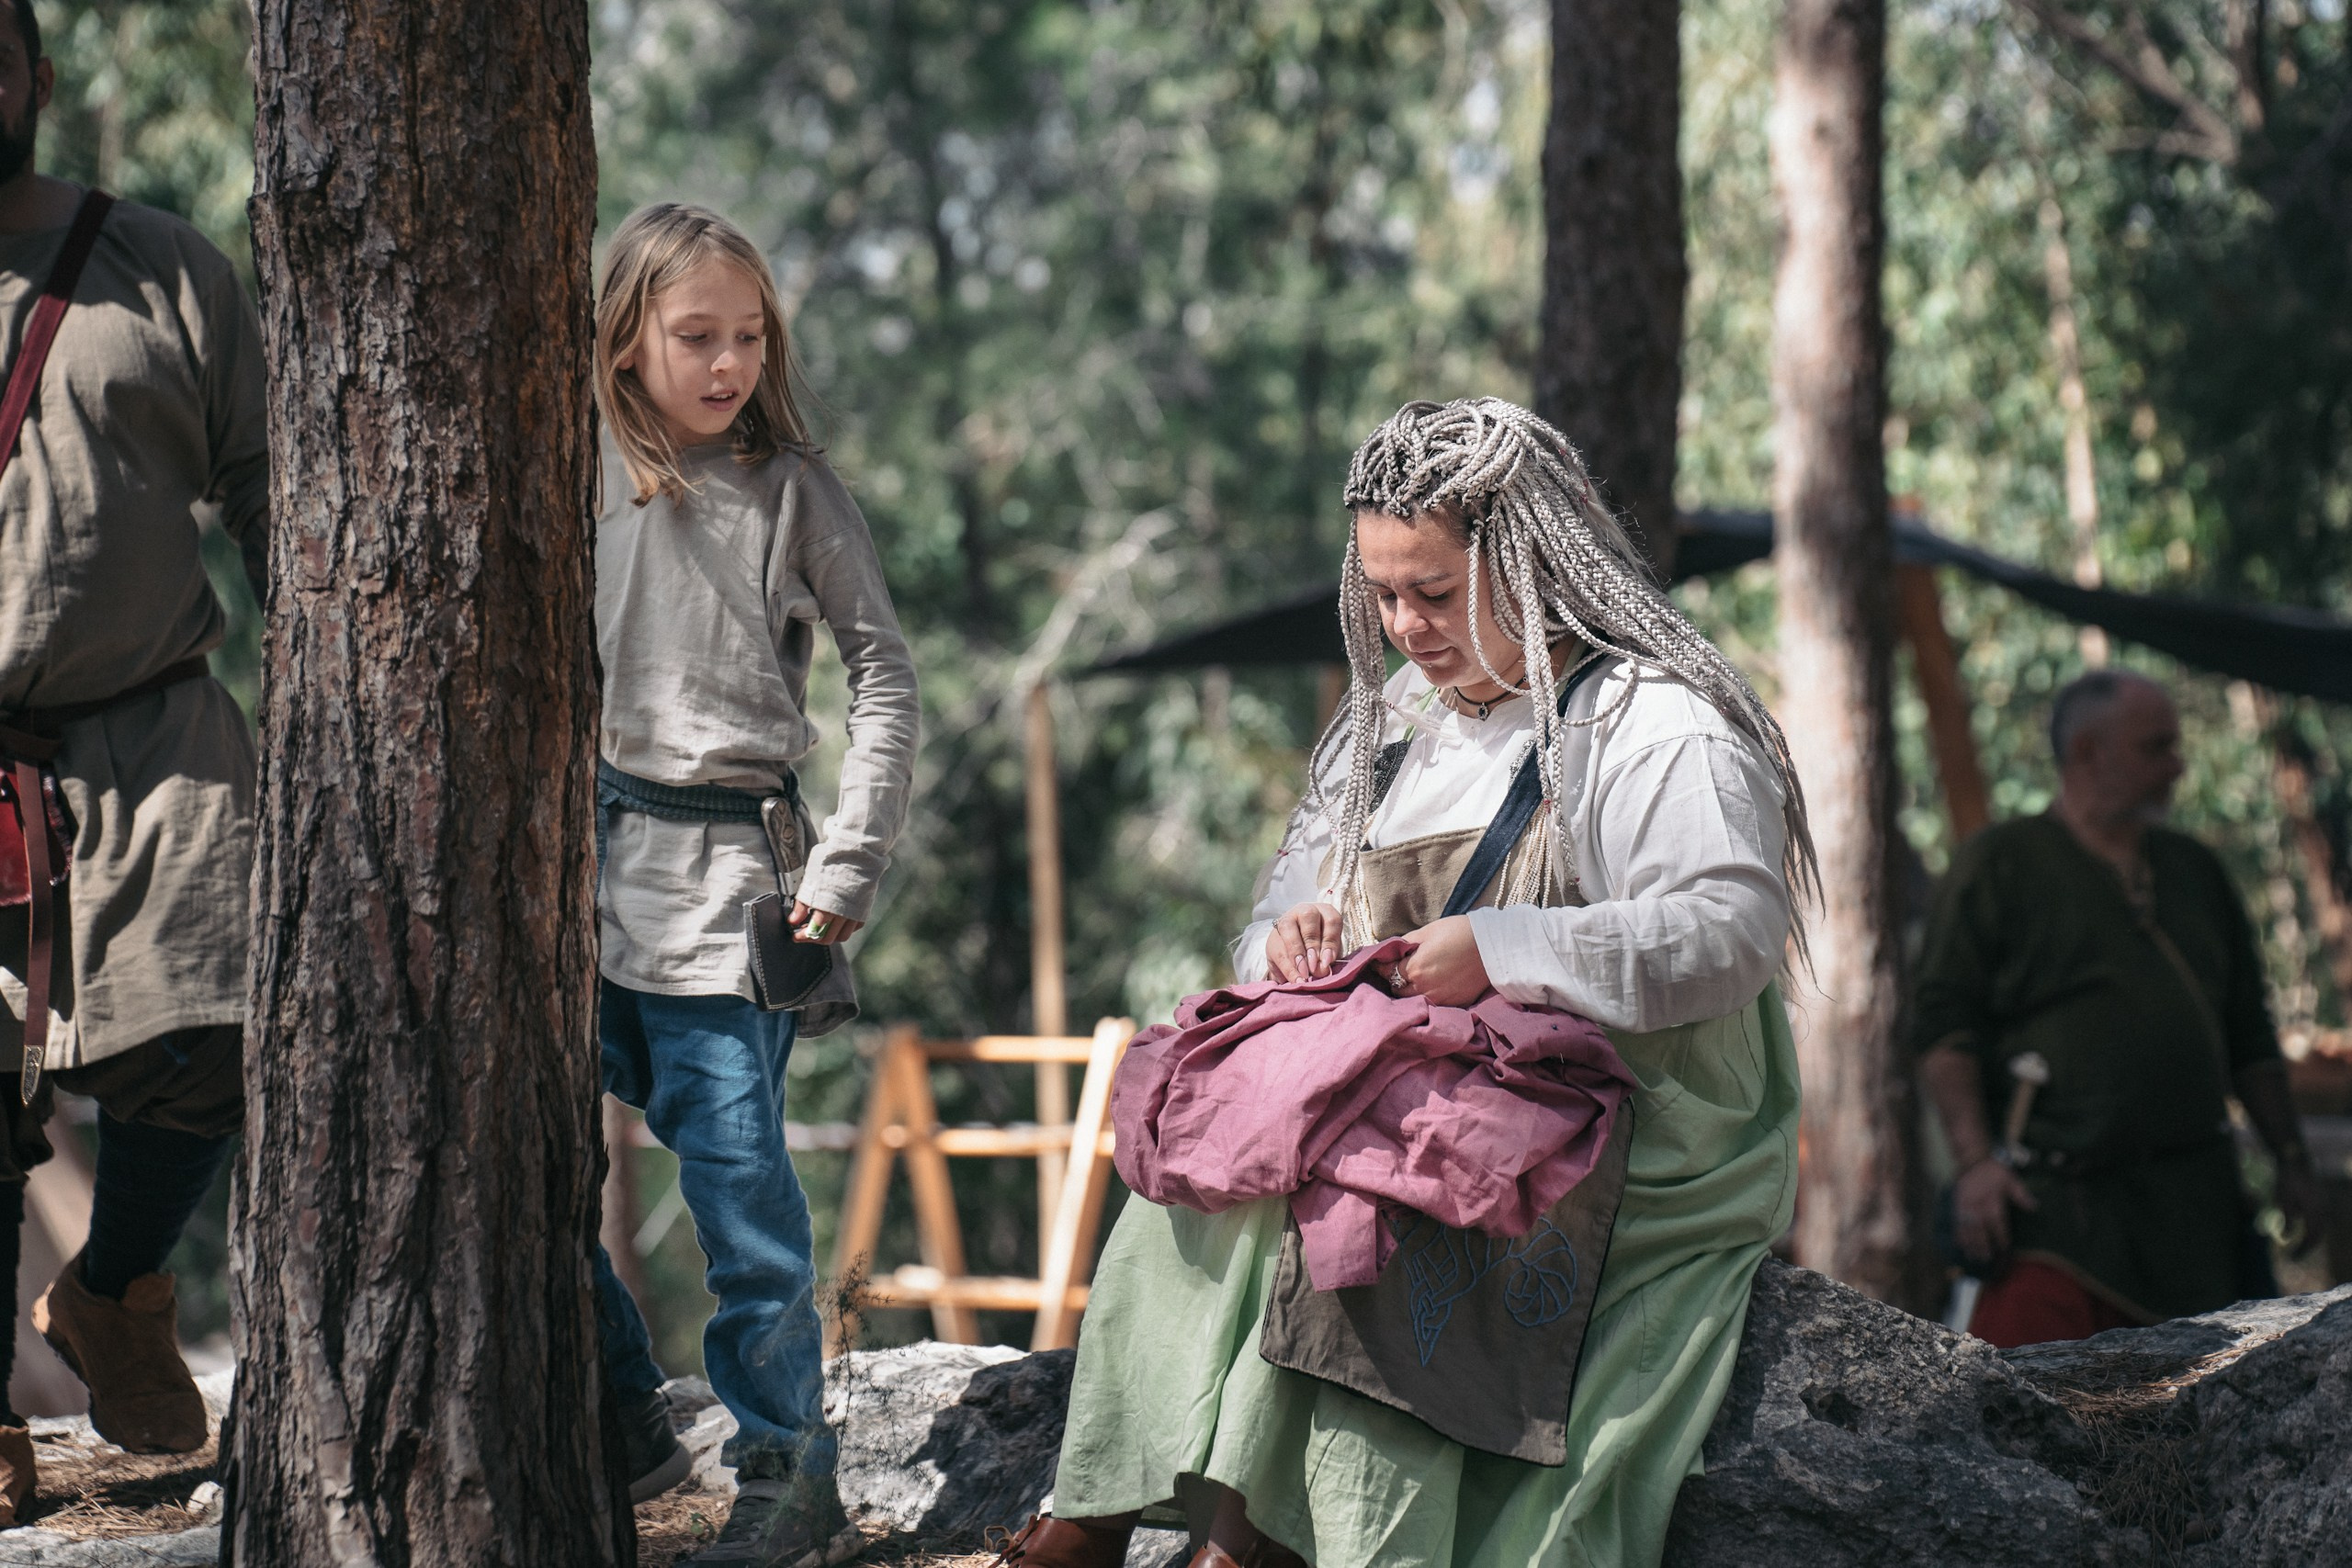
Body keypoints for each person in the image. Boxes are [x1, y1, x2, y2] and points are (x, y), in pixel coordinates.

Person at [997, 398, 1811, 1568]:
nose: (1402, 626)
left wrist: (1507, 949)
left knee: (1372, 1199)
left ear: (1534, 564)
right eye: (1382, 594)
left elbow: (1732, 930)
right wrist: (1288, 943)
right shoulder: (1386, 734)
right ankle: (1102, 1508)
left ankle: (1255, 1545)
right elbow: (1269, 918)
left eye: (1432, 592)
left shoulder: (1653, 726)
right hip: (1426, 1093)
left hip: (1637, 1126)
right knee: (1221, 1144)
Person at [585, 202, 920, 1567]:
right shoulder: (581, 467)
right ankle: (621, 1410)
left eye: (747, 334)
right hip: (583, 878)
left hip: (739, 886)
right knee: (516, 1165)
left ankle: (790, 1467)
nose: (727, 362)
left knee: (741, 1204)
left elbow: (885, 671)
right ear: (625, 341)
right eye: (694, 335)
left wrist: (849, 859)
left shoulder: (792, 486)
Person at [0, 0, 267, 1523]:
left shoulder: (156, 259)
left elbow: (272, 478)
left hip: (156, 737)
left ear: (35, 76)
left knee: (216, 1039)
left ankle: (113, 1289)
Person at [1916, 670, 2318, 1348]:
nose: (2178, 765)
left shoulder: (2194, 870)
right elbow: (1944, 1028)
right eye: (2155, 747)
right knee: (2030, 1424)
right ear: (2088, 753)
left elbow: (2249, 1034)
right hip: (2059, 1219)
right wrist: (1976, 1165)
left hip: (2198, 1216)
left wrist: (2291, 1158)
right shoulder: (2000, 863)